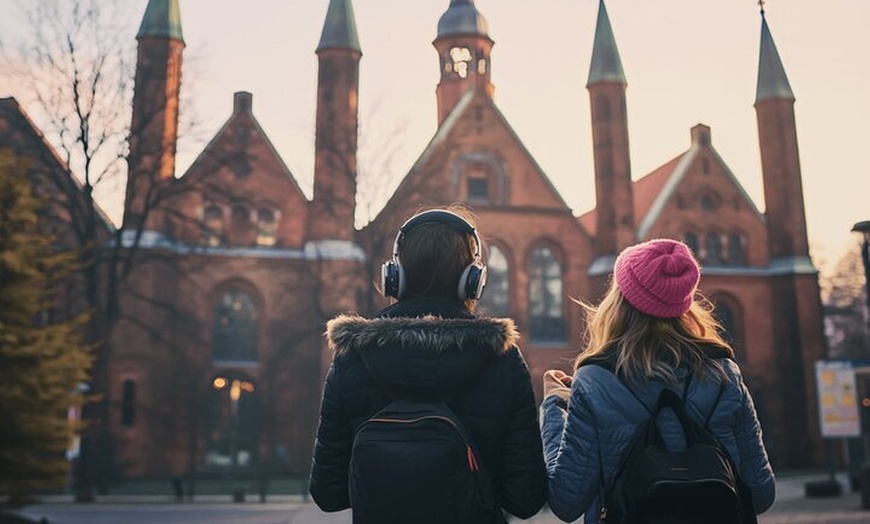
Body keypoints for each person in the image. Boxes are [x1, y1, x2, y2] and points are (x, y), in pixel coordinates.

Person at [309, 206, 547, 523]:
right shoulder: (501, 358)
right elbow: (526, 499)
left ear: (394, 277)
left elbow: (328, 493)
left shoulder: (353, 355)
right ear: (473, 280)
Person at [540, 238, 775, 523]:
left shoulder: (595, 381)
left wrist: (554, 406)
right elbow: (761, 494)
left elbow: (566, 502)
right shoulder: (725, 374)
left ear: (620, 302)